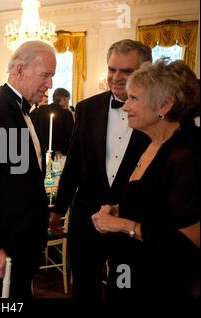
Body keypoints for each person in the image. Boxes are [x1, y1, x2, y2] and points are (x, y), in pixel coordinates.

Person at [50, 39, 152, 300]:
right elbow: (73, 164)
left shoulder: (156, 115)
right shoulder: (87, 108)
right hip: (87, 218)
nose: (116, 77)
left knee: (125, 287)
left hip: (130, 222)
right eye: (112, 69)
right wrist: (59, 209)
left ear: (145, 71)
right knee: (84, 285)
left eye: (126, 71)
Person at [91, 59, 200, 299]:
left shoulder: (183, 156)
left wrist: (123, 226)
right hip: (128, 271)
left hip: (158, 281)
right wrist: (119, 211)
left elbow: (190, 241)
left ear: (164, 105)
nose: (126, 106)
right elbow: (155, 204)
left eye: (134, 99)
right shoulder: (152, 144)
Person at [0, 41, 56, 298]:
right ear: (19, 70)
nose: (49, 85)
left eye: (52, 77)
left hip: (24, 237)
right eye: (45, 75)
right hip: (5, 242)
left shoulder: (25, 111)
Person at [30, 88, 74, 156]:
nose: (68, 103)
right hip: (60, 153)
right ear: (63, 99)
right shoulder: (66, 114)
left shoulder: (38, 111)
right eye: (68, 100)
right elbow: (71, 135)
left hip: (42, 152)